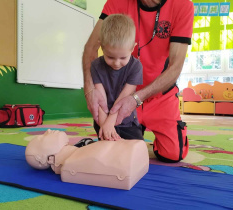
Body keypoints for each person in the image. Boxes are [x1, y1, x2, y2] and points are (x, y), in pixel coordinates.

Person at [82, 0, 194, 163]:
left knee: (172, 154)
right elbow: (91, 48)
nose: (116, 61)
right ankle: (134, 130)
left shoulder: (183, 6)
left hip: (159, 96)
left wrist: (136, 99)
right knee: (117, 152)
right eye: (111, 57)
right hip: (119, 95)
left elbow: (175, 66)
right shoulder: (116, 2)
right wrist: (90, 89)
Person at [82, 14, 144, 143]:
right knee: (105, 154)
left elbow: (124, 97)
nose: (116, 63)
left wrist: (110, 123)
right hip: (102, 119)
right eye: (110, 57)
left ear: (132, 48)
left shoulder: (136, 66)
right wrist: (105, 126)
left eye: (123, 58)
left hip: (127, 122)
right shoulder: (96, 65)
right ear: (102, 47)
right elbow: (100, 100)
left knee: (137, 151)